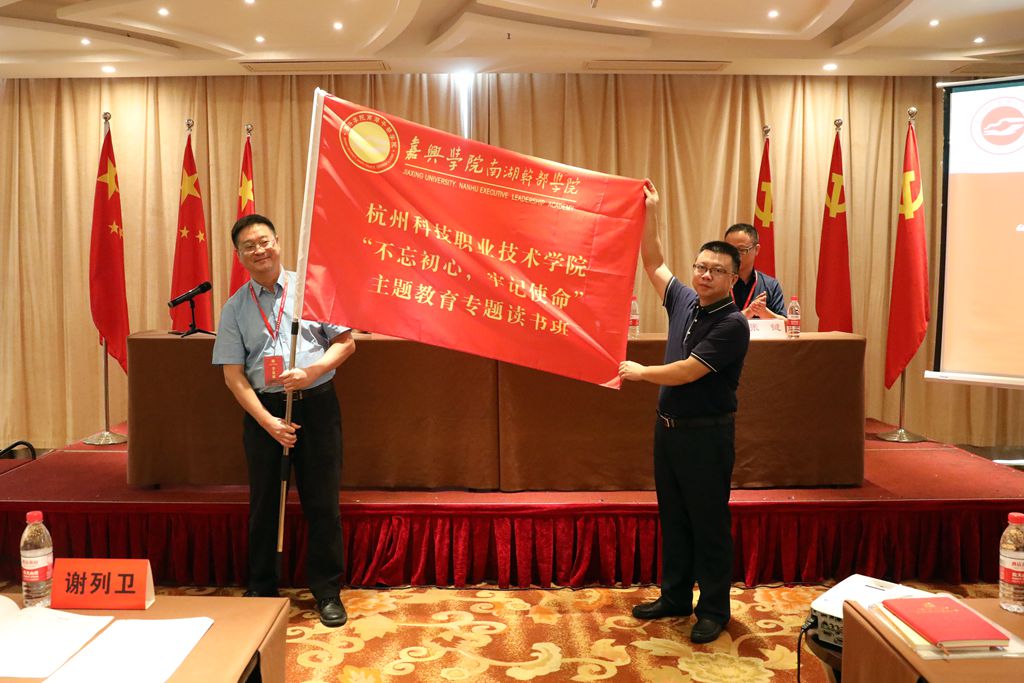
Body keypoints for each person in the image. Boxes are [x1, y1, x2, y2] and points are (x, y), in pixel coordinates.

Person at [619, 184, 750, 644]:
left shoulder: (732, 323)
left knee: (708, 523)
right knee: (674, 518)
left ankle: (712, 609)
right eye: (700, 267)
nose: (705, 275)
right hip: (669, 432)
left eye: (716, 270)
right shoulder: (684, 300)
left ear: (733, 277)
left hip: (707, 436)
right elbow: (653, 261)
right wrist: (650, 211)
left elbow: (688, 371)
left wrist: (641, 373)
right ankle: (674, 596)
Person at [212, 213, 355, 628]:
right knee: (265, 504)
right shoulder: (235, 307)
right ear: (239, 256)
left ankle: (327, 591)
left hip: (316, 406)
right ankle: (261, 586)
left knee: (322, 502)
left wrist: (312, 371)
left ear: (277, 242)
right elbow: (233, 376)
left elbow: (346, 343)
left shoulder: (312, 288)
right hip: (265, 412)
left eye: (264, 241)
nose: (259, 250)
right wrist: (268, 422)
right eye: (249, 246)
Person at [723, 224, 785, 320]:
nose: (734, 255)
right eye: (729, 250)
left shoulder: (770, 285)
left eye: (741, 250)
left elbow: (786, 324)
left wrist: (764, 313)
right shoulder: (715, 282)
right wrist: (749, 312)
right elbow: (707, 322)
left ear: (756, 249)